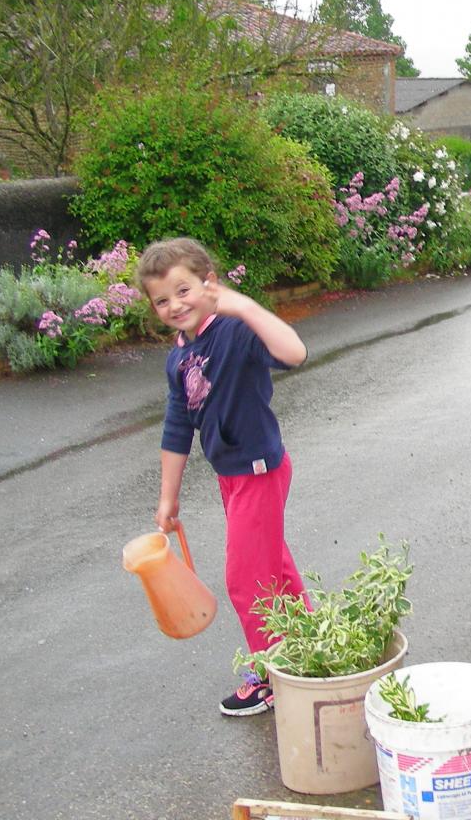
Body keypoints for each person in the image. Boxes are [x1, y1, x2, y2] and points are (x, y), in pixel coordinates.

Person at [137, 237, 309, 717]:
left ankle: (270, 677)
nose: (174, 305)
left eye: (184, 290)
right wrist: (168, 498)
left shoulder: (234, 330)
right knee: (274, 567)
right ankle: (306, 645)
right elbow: (177, 427)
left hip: (258, 470)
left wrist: (244, 306)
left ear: (209, 283)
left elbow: (294, 352)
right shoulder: (179, 356)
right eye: (162, 299)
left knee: (247, 578)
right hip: (231, 476)